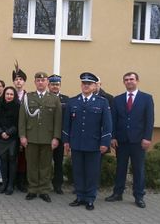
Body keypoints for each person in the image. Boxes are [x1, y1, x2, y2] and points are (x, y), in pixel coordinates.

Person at [63, 73, 112, 211]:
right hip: (76, 143)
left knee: (92, 173)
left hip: (94, 144)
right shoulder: (73, 101)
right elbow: (67, 124)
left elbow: (107, 125)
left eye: (89, 84)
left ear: (95, 86)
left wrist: (105, 142)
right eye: (84, 83)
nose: (86, 85)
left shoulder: (102, 102)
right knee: (78, 171)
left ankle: (90, 198)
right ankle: (80, 196)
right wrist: (66, 141)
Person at [105, 72, 154, 209]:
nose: (129, 81)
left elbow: (149, 120)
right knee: (120, 168)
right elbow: (113, 120)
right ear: (123, 82)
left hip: (139, 141)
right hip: (121, 141)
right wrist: (113, 137)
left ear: (137, 81)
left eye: (131, 79)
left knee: (138, 169)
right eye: (126, 80)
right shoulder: (118, 99)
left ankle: (139, 196)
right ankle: (117, 193)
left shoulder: (146, 98)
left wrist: (147, 138)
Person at [18, 72, 62, 203]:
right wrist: (22, 136)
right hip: (31, 137)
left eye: (43, 80)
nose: (41, 82)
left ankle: (44, 190)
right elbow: (22, 119)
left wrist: (56, 137)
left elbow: (57, 120)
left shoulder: (54, 99)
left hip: (47, 138)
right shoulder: (28, 97)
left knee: (45, 166)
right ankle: (32, 189)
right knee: (31, 165)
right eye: (38, 80)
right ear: (35, 82)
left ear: (47, 82)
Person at [0, 86, 20, 195]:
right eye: (7, 94)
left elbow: (19, 123)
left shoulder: (18, 107)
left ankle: (10, 185)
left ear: (14, 96)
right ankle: (4, 183)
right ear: (4, 95)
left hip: (12, 138)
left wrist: (8, 133)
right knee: (3, 161)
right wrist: (1, 132)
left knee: (12, 160)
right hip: (1, 138)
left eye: (11, 94)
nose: (9, 96)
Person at [48, 74, 69, 194]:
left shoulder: (66, 100)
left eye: (57, 84)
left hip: (60, 136)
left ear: (60, 85)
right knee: (45, 163)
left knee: (58, 162)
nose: (55, 86)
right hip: (46, 136)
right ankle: (44, 184)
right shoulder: (44, 98)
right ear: (48, 85)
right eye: (53, 84)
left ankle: (57, 185)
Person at [12, 63, 28, 192]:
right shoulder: (9, 95)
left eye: (21, 79)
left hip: (24, 131)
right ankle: (11, 180)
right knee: (12, 156)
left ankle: (21, 182)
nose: (18, 81)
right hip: (11, 131)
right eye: (16, 79)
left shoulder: (29, 96)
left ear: (24, 82)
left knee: (23, 157)